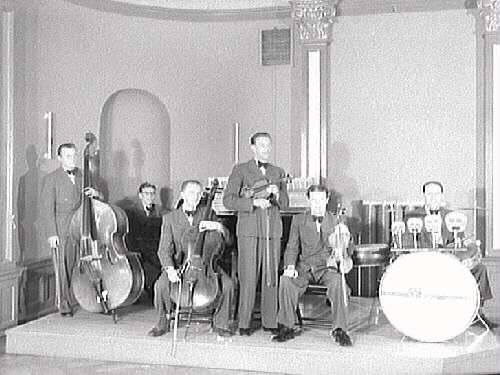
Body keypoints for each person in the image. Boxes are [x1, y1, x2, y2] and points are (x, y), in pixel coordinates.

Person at [401, 181, 497, 328]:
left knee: (480, 269)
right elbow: (407, 245)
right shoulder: (411, 217)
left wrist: (463, 255)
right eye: (429, 194)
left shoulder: (451, 216)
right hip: (426, 264)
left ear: (442, 196)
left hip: (451, 261)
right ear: (424, 196)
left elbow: (459, 241)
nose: (433, 198)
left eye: (437, 194)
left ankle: (476, 313)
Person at [148, 180, 235, 337]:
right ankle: (162, 322)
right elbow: (163, 250)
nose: (195, 197)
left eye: (198, 193)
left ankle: (220, 323)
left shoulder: (209, 214)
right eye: (191, 192)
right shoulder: (170, 218)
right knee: (160, 285)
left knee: (228, 285)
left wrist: (218, 227)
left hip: (206, 265)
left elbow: (229, 241)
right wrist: (170, 270)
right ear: (182, 195)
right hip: (180, 265)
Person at [223, 132, 289, 336]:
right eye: (262, 145)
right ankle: (244, 322)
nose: (266, 149)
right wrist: (252, 202)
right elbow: (228, 200)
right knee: (248, 276)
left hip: (272, 230)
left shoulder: (279, 172)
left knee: (271, 276)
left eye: (269, 145)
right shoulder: (240, 170)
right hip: (249, 230)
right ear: (252, 147)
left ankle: (270, 321)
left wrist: (278, 195)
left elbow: (285, 205)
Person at [272, 184, 354, 346]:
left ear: (327, 200)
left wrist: (346, 239)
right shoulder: (298, 219)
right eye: (314, 199)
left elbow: (348, 248)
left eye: (321, 199)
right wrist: (289, 267)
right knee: (286, 281)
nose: (318, 203)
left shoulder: (337, 219)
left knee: (339, 282)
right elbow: (292, 246)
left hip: (327, 267)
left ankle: (340, 329)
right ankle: (286, 327)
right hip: (305, 267)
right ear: (308, 200)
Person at [39, 143, 102, 316]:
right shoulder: (51, 179)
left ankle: (87, 298)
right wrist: (52, 233)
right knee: (62, 267)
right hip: (62, 228)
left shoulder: (84, 175)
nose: (72, 159)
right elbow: (46, 209)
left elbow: (99, 197)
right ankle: (64, 304)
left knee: (79, 263)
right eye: (67, 156)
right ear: (60, 159)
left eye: (74, 155)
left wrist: (96, 194)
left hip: (81, 227)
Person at [125, 182, 162, 300]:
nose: (150, 196)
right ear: (140, 195)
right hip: (136, 248)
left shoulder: (160, 211)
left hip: (153, 248)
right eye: (147, 194)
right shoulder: (131, 212)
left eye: (152, 194)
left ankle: (155, 291)